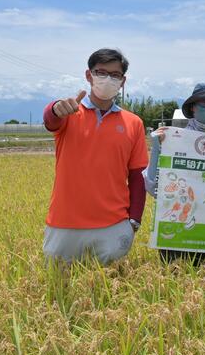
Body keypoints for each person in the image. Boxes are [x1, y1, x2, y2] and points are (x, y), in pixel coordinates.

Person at [42, 48, 148, 265]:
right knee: (59, 284)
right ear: (89, 76)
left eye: (115, 75)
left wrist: (134, 220)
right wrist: (55, 108)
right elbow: (51, 120)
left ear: (122, 82)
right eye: (101, 72)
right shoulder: (70, 113)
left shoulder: (133, 123)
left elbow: (138, 176)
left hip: (113, 225)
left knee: (111, 284)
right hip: (64, 223)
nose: (108, 79)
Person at [144, 83, 205, 270]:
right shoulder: (171, 140)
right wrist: (157, 150)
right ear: (193, 107)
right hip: (176, 234)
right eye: (204, 103)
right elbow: (153, 188)